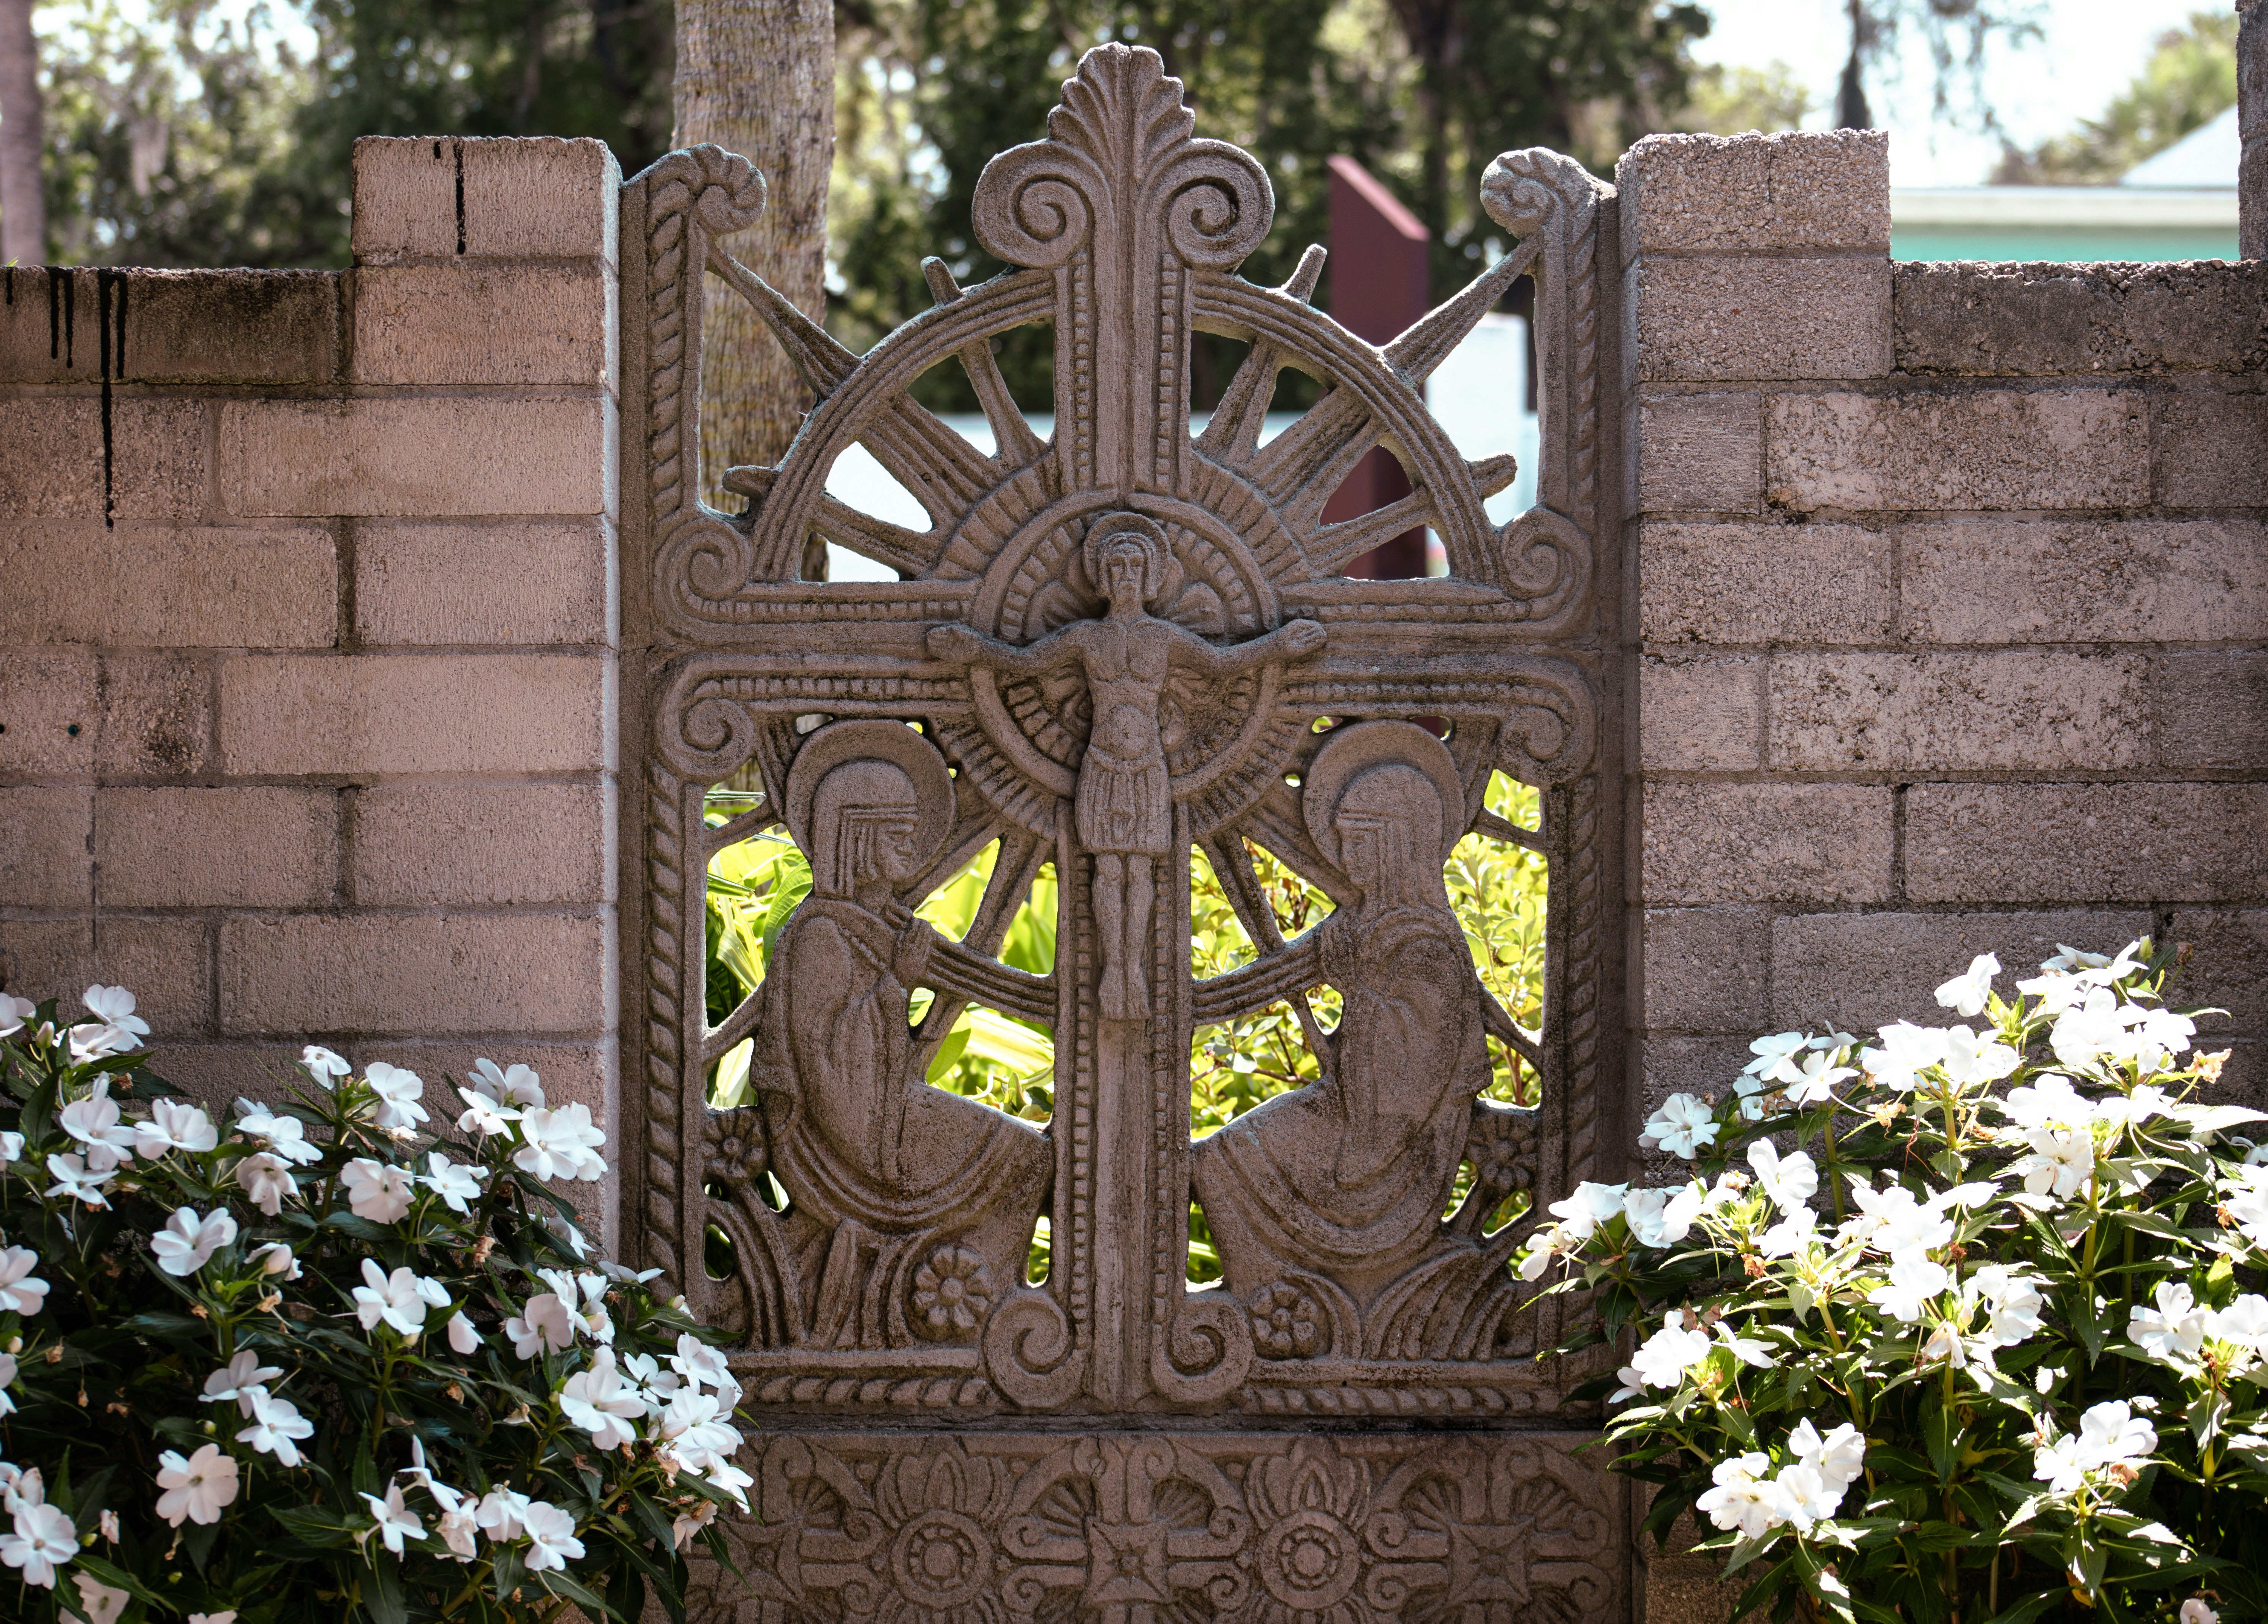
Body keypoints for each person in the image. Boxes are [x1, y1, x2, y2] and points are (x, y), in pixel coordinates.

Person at [1189, 722, 1518, 1360]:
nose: (1348, 857)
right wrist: (1185, 1004)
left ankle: (1275, 1306)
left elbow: (1413, 1080)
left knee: (1225, 1161)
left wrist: (1358, 990)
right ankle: (1268, 1295)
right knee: (1218, 1160)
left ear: (1399, 843)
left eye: (1361, 842)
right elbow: (1268, 979)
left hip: (1396, 1151)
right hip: (1351, 1114)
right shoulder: (1361, 923)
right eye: (1342, 842)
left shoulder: (1426, 943)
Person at [927, 511, 1325, 1020]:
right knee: (1108, 868)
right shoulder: (1086, 638)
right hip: (1101, 764)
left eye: (1136, 567)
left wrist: (1280, 645)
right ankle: (1112, 968)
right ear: (1101, 577)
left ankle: (1132, 969)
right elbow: (1026, 662)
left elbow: (1220, 663)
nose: (1126, 576)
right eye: (1116, 566)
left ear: (1153, 577)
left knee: (1139, 869)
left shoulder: (1164, 638)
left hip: (1147, 765)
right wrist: (972, 649)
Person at [736, 722, 1052, 1349]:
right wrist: (896, 984)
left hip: (878, 1110)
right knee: (1025, 1157)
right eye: (898, 832)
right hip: (847, 1140)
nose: (913, 848)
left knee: (1031, 1157)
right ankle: (965, 1302)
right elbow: (828, 1064)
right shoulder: (823, 934)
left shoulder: (878, 923)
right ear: (857, 834)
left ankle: (977, 1290)